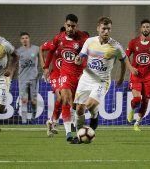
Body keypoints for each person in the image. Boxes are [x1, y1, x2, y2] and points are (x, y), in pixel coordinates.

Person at [71, 16, 136, 144]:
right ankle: (80, 133)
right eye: (104, 29)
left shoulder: (116, 46)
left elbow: (124, 61)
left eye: (108, 29)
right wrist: (77, 59)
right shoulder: (89, 41)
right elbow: (80, 56)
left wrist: (122, 77)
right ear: (98, 28)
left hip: (102, 81)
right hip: (86, 78)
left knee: (89, 105)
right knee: (79, 109)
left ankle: (92, 120)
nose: (106, 31)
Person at [43, 14, 89, 142]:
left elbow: (90, 51)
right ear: (65, 24)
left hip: (80, 76)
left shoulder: (83, 38)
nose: (70, 28)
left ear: (76, 26)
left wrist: (82, 57)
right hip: (65, 74)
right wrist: (46, 67)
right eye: (68, 25)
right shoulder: (59, 38)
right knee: (64, 99)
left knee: (76, 106)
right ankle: (68, 133)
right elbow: (50, 50)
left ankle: (56, 121)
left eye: (73, 26)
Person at [126, 19, 150, 131]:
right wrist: (131, 68)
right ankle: (132, 110)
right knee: (137, 99)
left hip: (148, 77)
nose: (146, 29)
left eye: (148, 27)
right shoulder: (133, 42)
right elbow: (126, 57)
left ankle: (137, 123)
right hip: (136, 76)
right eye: (144, 27)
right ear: (140, 29)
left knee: (146, 100)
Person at [40, 27, 64, 137]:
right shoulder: (53, 43)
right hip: (55, 75)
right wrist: (44, 66)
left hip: (66, 75)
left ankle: (51, 121)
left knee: (63, 99)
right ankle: (53, 122)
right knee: (60, 97)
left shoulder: (72, 44)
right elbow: (41, 48)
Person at [17, 32, 39, 124]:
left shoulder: (36, 49)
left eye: (26, 38)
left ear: (29, 39)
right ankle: (24, 121)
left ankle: (33, 117)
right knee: (24, 100)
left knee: (33, 101)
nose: (25, 39)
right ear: (20, 40)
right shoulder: (18, 51)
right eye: (22, 38)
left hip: (34, 78)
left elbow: (43, 59)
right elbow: (14, 63)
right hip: (22, 79)